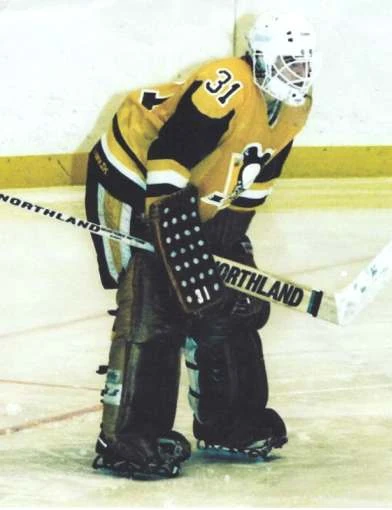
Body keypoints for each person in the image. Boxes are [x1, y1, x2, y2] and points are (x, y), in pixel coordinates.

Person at [85, 10, 318, 479]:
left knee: (229, 302)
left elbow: (256, 177)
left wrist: (228, 240)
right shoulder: (225, 82)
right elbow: (169, 155)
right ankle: (128, 436)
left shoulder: (295, 107)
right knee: (154, 300)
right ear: (260, 58)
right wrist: (171, 231)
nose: (299, 74)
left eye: (304, 63)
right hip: (135, 176)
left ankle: (229, 421)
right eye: (288, 62)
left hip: (193, 190)